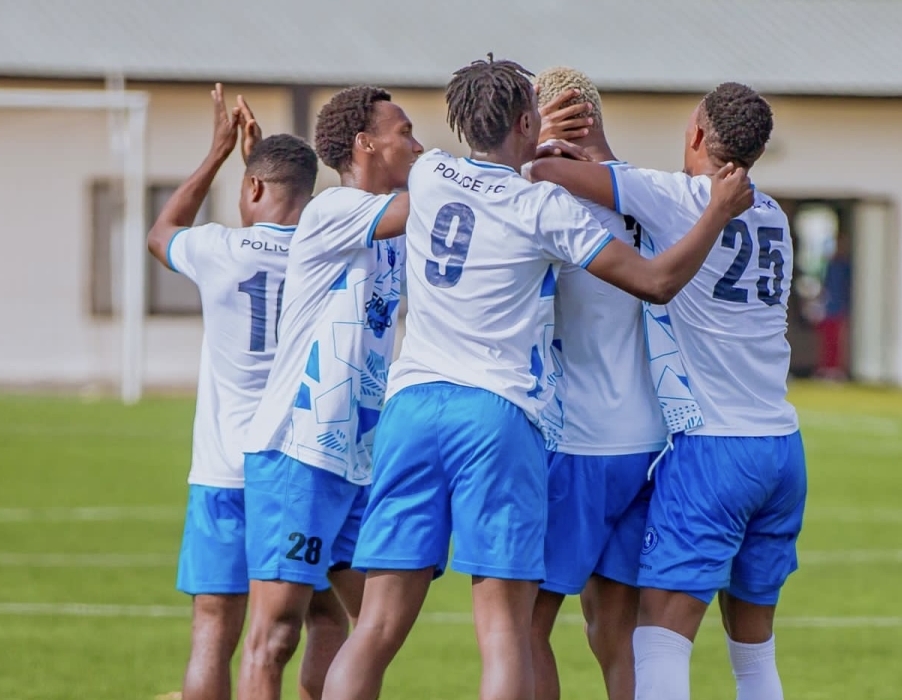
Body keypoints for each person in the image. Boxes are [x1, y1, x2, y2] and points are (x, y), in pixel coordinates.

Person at [322, 55, 754, 700]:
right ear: (526, 119)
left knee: (378, 624)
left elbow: (479, 163)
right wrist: (717, 211)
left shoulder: (433, 170)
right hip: (503, 416)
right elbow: (656, 281)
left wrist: (524, 135)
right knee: (508, 631)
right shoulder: (550, 206)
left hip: (412, 406)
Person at [530, 82, 807, 700]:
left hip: (714, 448)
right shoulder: (772, 214)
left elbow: (547, 170)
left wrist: (545, 134)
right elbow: (626, 181)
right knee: (754, 654)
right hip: (783, 446)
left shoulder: (678, 198)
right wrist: (601, 149)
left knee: (658, 637)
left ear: (699, 136)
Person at [236, 85, 421, 700]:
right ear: (367, 144)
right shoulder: (336, 208)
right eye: (406, 133)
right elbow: (439, 204)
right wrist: (487, 166)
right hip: (300, 448)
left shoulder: (395, 228)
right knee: (275, 634)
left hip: (358, 459)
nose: (418, 147)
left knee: (366, 628)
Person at [145, 84, 320, 700]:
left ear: (251, 188)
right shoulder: (324, 254)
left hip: (222, 470)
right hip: (299, 468)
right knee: (314, 624)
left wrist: (220, 152)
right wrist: (254, 162)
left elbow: (162, 231)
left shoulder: (218, 248)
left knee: (213, 630)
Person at [527, 67, 666, 700]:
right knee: (616, 626)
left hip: (575, 441)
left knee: (524, 624)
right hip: (646, 438)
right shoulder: (645, 194)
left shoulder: (533, 198)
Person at [816, 234, 851, 380]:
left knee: (838, 341)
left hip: (840, 308)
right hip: (829, 308)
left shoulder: (845, 266)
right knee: (827, 340)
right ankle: (827, 367)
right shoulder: (830, 265)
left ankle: (837, 368)